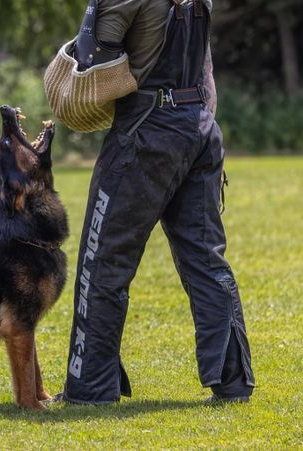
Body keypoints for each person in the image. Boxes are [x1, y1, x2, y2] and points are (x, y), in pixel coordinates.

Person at [60, 0, 255, 404]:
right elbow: (206, 70)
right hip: (200, 126)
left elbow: (92, 63)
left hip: (146, 130)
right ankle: (233, 383)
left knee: (103, 259)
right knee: (206, 259)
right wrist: (197, 128)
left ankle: (91, 388)